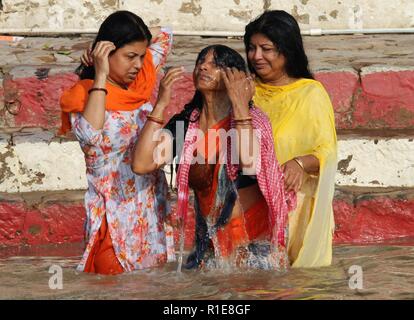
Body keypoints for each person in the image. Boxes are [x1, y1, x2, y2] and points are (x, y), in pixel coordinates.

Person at [132, 45, 296, 270]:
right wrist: (160, 104)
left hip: (254, 249)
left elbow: (249, 161)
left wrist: (239, 104)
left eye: (216, 64)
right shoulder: (185, 126)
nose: (204, 66)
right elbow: (142, 164)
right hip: (209, 249)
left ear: (235, 77)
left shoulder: (253, 120)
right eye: (201, 61)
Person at [59, 11, 175, 275]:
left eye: (142, 56)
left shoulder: (139, 85)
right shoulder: (84, 94)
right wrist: (100, 74)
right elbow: (90, 136)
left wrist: (114, 48)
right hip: (113, 218)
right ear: (107, 53)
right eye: (129, 56)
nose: (138, 64)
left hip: (148, 211)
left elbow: (166, 32)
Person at [244, 10, 338, 268]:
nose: (256, 56)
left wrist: (299, 163)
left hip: (297, 208)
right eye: (252, 48)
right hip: (252, 204)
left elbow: (327, 152)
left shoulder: (310, 93)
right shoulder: (246, 90)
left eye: (267, 49)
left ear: (287, 50)